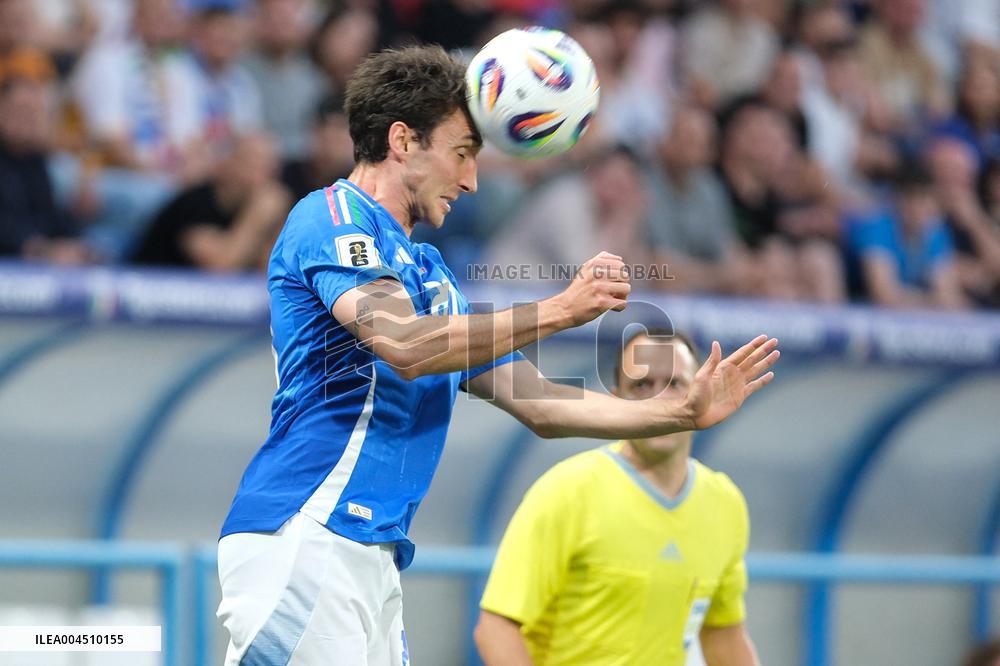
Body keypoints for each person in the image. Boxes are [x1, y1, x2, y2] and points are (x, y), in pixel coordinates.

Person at [216, 45, 780, 666]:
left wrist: (680, 413)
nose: (471, 181)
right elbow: (405, 343)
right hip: (308, 526)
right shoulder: (329, 217)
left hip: (372, 551)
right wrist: (561, 310)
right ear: (402, 140)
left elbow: (540, 403)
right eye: (462, 154)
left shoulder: (430, 274)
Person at [474, 329, 762, 666]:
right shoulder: (568, 490)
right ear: (616, 400)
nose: (660, 398)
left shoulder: (724, 502)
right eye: (642, 385)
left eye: (675, 384)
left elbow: (723, 636)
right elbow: (496, 629)